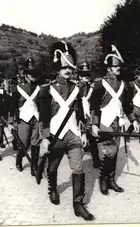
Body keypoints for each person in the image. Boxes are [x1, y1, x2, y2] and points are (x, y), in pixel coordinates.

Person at [37, 41, 94, 221]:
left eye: (70, 67)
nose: (68, 71)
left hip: (73, 135)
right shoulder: (47, 90)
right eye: (64, 68)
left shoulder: (77, 89)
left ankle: (78, 205)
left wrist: (83, 132)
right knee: (52, 167)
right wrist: (45, 137)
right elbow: (43, 116)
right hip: (55, 134)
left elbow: (81, 114)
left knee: (78, 168)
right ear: (57, 70)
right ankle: (52, 188)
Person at [90, 45, 140, 195]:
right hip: (105, 121)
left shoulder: (123, 85)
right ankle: (103, 179)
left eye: (119, 66)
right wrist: (94, 124)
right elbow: (94, 106)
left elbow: (126, 105)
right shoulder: (99, 83)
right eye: (115, 66)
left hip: (118, 122)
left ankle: (111, 180)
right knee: (110, 151)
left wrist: (134, 120)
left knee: (115, 151)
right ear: (109, 68)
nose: (118, 68)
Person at [13, 67, 43, 176]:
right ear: (26, 76)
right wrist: (12, 121)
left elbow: (41, 104)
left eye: (35, 75)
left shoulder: (39, 88)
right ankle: (19, 159)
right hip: (23, 118)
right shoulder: (18, 88)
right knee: (24, 143)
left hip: (36, 118)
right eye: (31, 75)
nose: (33, 78)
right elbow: (13, 105)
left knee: (36, 143)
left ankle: (34, 166)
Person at [77, 61, 100, 168]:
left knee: (92, 138)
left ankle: (96, 160)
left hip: (89, 114)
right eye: (83, 74)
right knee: (79, 138)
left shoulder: (92, 87)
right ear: (79, 75)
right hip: (78, 115)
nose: (85, 76)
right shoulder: (76, 87)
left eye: (87, 74)